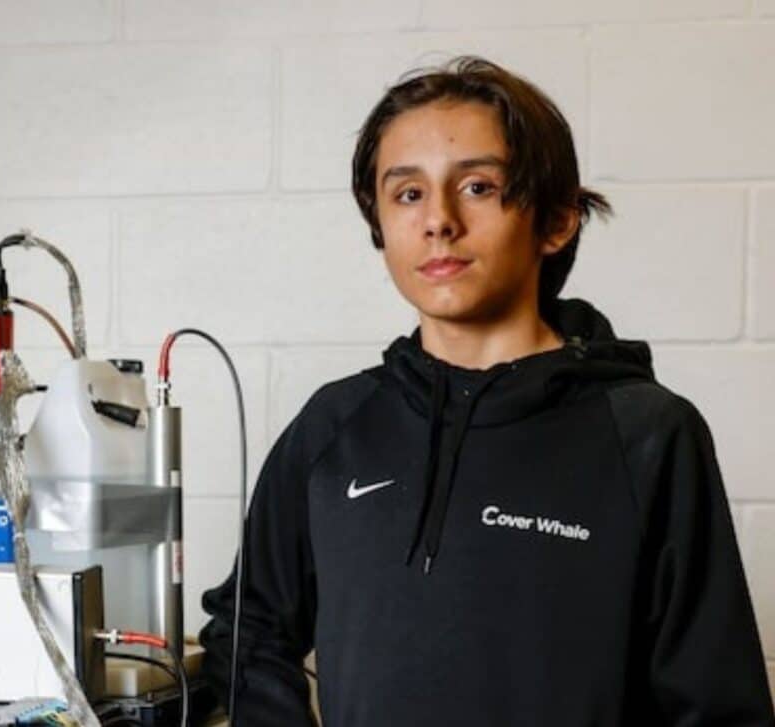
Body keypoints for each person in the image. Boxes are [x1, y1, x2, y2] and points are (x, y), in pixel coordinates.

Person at [199, 56, 774, 726]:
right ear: (380, 226)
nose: (438, 220)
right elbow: (247, 629)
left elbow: (719, 708)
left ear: (557, 221)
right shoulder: (334, 427)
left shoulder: (648, 434)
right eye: (408, 194)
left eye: (477, 186)